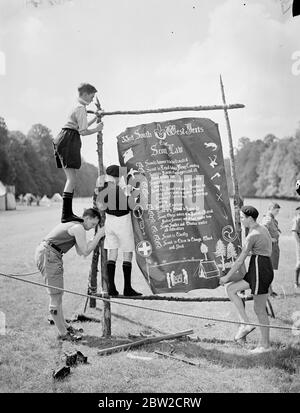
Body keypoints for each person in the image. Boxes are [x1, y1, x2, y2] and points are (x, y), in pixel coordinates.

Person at [35, 208, 105, 341]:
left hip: (50, 254)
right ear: (87, 218)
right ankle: (63, 333)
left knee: (58, 294)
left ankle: (65, 326)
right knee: (55, 296)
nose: (92, 228)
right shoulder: (78, 228)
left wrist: (94, 238)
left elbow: (81, 252)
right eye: (92, 224)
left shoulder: (77, 225)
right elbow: (85, 251)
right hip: (49, 255)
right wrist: (99, 235)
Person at [219, 205, 274, 354]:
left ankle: (265, 346)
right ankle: (246, 324)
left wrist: (226, 277)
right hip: (259, 267)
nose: (241, 220)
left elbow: (239, 260)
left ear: (250, 218)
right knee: (230, 289)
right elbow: (264, 248)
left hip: (260, 269)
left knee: (259, 309)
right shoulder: (262, 229)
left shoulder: (253, 234)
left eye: (242, 218)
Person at [53, 83, 103, 223]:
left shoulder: (76, 106)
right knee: (71, 179)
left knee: (72, 178)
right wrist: (98, 129)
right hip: (69, 139)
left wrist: (96, 119)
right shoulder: (81, 108)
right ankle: (66, 214)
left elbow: (83, 125)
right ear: (86, 94)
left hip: (64, 138)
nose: (93, 100)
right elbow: (83, 131)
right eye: (92, 97)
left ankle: (67, 213)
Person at [97, 165, 142, 297]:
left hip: (110, 222)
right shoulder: (122, 189)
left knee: (113, 253)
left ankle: (111, 287)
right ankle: (127, 288)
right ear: (117, 177)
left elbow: (100, 206)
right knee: (127, 254)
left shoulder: (103, 189)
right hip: (123, 220)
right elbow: (131, 205)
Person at [261, 202, 281, 297]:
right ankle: (268, 292)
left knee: (269, 271)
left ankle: (269, 291)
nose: (277, 212)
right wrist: (270, 238)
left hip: (273, 248)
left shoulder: (273, 220)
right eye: (276, 210)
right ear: (271, 209)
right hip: (269, 248)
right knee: (268, 271)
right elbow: (262, 231)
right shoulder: (268, 219)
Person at [291, 206, 300, 289]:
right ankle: (296, 282)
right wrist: (299, 243)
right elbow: (294, 232)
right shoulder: (298, 219)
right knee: (299, 263)